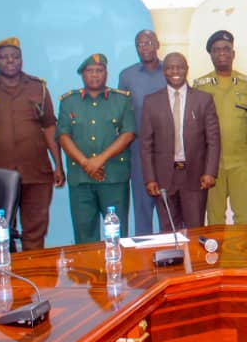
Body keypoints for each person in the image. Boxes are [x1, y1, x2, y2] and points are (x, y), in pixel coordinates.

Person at [0, 37, 65, 250]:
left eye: (15, 56)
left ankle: (32, 268)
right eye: (4, 57)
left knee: (35, 230)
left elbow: (49, 127)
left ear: (21, 59)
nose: (10, 61)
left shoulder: (38, 88)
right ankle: (5, 269)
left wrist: (58, 164)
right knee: (0, 232)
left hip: (36, 172)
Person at [57, 54, 136, 244]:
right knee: (84, 236)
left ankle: (117, 264)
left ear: (106, 73)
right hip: (81, 179)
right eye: (90, 71)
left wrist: (99, 160)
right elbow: (63, 136)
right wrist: (86, 163)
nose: (95, 75)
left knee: (117, 235)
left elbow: (128, 134)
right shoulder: (69, 101)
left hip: (113, 178)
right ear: (82, 74)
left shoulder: (121, 100)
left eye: (99, 70)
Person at [139, 53, 220, 230]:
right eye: (170, 68)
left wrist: (210, 172)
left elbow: (213, 140)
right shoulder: (151, 101)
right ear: (164, 71)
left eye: (180, 67)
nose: (175, 71)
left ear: (186, 70)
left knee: (195, 229)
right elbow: (146, 144)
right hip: (163, 178)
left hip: (195, 176)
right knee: (168, 231)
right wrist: (150, 178)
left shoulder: (203, 99)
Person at [194, 30, 247, 225]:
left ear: (233, 54)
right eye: (216, 50)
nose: (222, 53)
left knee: (243, 216)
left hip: (241, 161)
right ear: (211, 55)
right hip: (212, 163)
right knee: (214, 217)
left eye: (226, 49)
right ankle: (216, 247)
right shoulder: (200, 87)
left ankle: (243, 247)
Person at [118, 29, 166, 235]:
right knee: (142, 210)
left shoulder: (170, 70)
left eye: (148, 43)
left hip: (168, 152)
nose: (144, 47)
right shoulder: (127, 76)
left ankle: (173, 253)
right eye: (140, 44)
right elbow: (122, 115)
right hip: (138, 154)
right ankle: (144, 253)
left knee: (169, 211)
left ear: (157, 44)